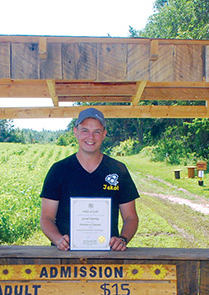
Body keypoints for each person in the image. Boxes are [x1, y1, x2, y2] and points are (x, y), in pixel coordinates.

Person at [40, 107, 139, 251]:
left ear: (104, 134)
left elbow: (131, 217)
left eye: (97, 132)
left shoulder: (118, 170)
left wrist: (123, 239)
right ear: (76, 132)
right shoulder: (59, 170)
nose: (90, 137)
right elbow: (46, 218)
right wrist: (58, 240)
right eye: (85, 130)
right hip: (66, 257)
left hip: (108, 256)